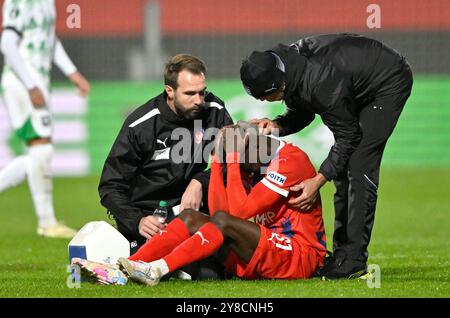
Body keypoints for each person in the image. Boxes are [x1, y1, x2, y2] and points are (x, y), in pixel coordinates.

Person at [239, 33, 413, 279]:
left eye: (266, 97)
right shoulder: (287, 68)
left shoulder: (319, 81)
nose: (264, 101)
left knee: (360, 166)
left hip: (387, 81)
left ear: (279, 85)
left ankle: (353, 260)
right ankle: (342, 254)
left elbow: (348, 137)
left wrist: (318, 180)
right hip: (353, 78)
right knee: (342, 172)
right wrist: (277, 125)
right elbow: (305, 109)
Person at [72, 123, 327, 285]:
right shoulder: (254, 159)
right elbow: (219, 213)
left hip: (299, 254)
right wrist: (217, 162)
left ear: (256, 146)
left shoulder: (290, 161)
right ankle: (126, 269)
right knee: (191, 217)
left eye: (239, 156)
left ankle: (157, 270)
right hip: (266, 247)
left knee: (224, 223)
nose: (240, 167)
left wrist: (235, 160)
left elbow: (235, 214)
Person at [98, 54, 233, 279]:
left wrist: (201, 180)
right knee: (205, 274)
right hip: (150, 222)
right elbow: (110, 187)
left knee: (216, 273)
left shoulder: (213, 109)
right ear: (169, 91)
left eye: (202, 91)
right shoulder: (141, 126)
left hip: (191, 215)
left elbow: (233, 162)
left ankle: (172, 264)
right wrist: (137, 221)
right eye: (190, 93)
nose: (199, 100)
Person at [0, 0, 90, 238]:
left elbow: (48, 39)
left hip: (36, 81)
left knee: (37, 153)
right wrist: (30, 86)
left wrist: (72, 73)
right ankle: (47, 223)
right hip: (22, 83)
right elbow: (7, 44)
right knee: (42, 148)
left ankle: (47, 222)